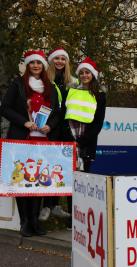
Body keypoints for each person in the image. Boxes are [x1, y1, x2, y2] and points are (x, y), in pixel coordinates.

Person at [0, 50, 60, 237]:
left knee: (40, 181)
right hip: (22, 138)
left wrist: (50, 126)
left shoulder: (49, 86)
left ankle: (35, 222)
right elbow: (5, 108)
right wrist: (24, 122)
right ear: (27, 65)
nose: (35, 66)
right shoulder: (18, 84)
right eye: (32, 63)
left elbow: (57, 112)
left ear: (43, 66)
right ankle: (25, 222)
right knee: (22, 180)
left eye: (39, 63)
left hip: (43, 140)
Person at [39, 48, 75, 222]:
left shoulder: (72, 83)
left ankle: (56, 206)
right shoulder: (45, 81)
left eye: (63, 59)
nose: (60, 61)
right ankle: (46, 205)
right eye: (57, 58)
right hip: (50, 130)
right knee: (48, 168)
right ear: (51, 61)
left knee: (62, 170)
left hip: (67, 132)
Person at [64, 57, 106, 173]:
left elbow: (98, 122)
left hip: (87, 142)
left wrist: (82, 141)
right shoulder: (70, 91)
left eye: (87, 72)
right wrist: (70, 138)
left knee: (84, 177)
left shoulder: (99, 95)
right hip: (69, 138)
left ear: (93, 74)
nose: (84, 75)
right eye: (81, 73)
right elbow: (64, 115)